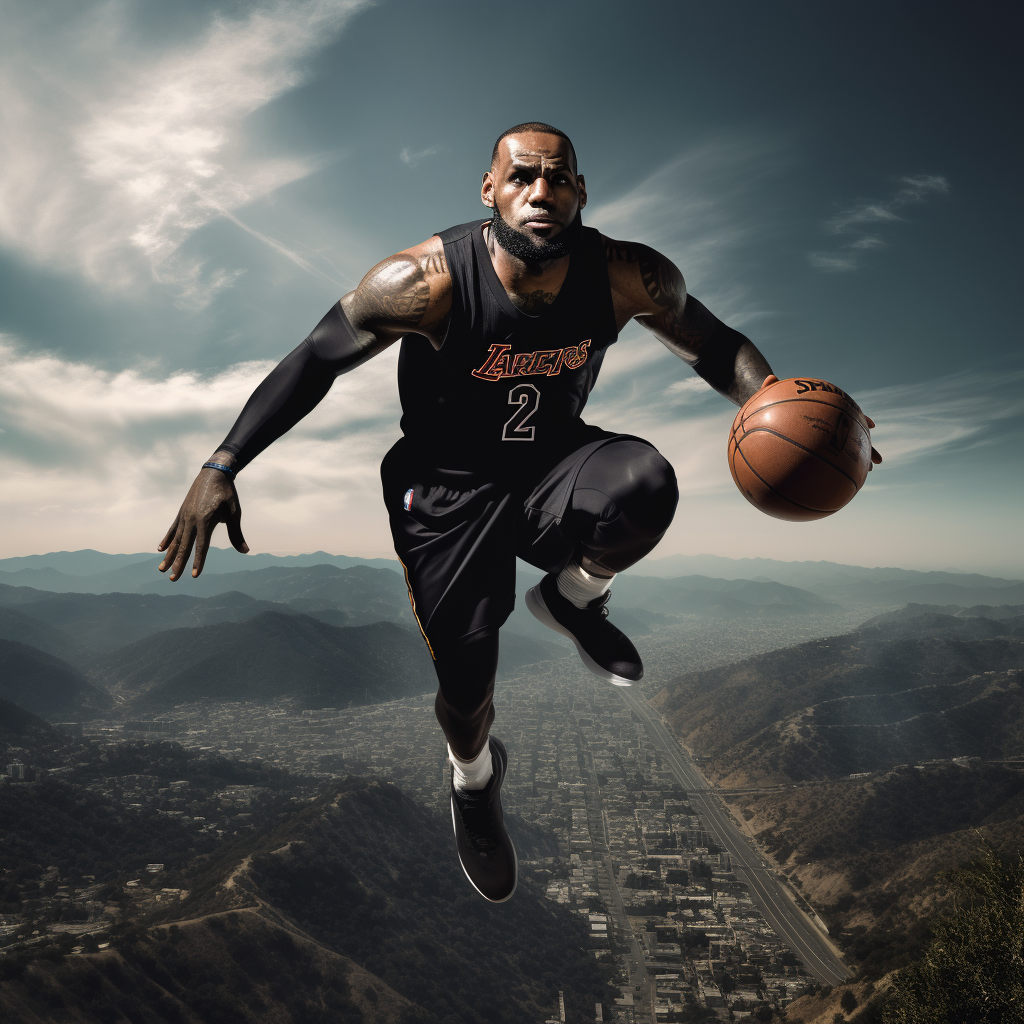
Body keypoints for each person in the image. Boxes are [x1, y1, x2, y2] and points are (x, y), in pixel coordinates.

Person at [157, 122, 880, 904]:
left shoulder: (629, 275)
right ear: (490, 189)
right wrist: (222, 463)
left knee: (646, 482)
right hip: (445, 488)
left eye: (558, 178)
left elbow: (716, 345)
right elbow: (314, 359)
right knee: (468, 688)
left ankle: (572, 597)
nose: (541, 192)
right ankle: (473, 782)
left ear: (580, 193)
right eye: (522, 176)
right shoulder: (421, 281)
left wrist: (794, 415)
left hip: (551, 461)